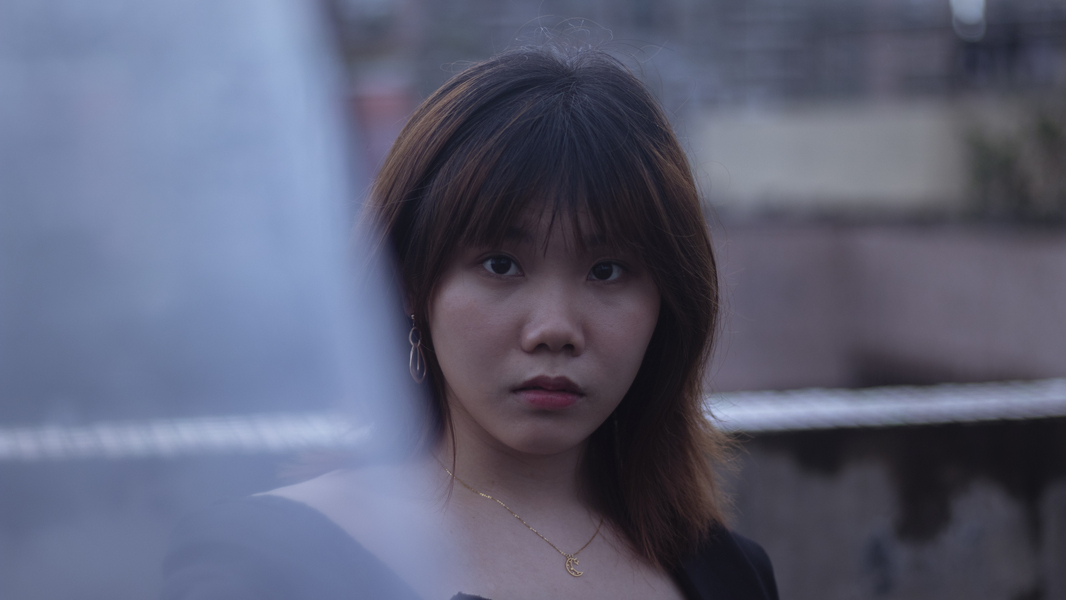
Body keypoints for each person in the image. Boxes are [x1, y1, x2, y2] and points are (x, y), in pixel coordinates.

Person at [161, 44, 779, 600]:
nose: (554, 329)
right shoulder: (269, 564)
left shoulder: (727, 573)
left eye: (607, 271)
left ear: (668, 303)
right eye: (501, 265)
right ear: (411, 283)